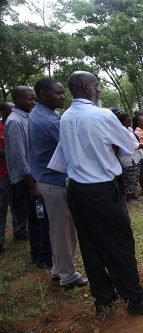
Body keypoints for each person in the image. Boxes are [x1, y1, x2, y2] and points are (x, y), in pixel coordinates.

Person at [59, 71, 143, 315]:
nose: (99, 90)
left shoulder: (65, 117)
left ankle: (103, 297)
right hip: (100, 189)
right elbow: (128, 145)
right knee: (119, 244)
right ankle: (136, 300)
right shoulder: (102, 115)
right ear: (86, 88)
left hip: (76, 190)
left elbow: (61, 157)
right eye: (96, 86)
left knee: (91, 245)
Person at [28, 77, 88, 288]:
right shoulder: (50, 121)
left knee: (57, 229)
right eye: (58, 92)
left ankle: (58, 268)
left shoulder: (38, 114)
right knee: (65, 231)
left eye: (63, 92)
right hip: (55, 182)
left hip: (46, 179)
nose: (63, 96)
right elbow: (71, 149)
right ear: (42, 94)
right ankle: (68, 275)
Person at [5, 86, 52, 267]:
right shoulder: (15, 122)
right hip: (27, 180)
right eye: (30, 99)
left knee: (38, 217)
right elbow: (19, 156)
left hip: (34, 177)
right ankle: (41, 256)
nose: (33, 102)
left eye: (34, 99)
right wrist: (32, 186)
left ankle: (41, 253)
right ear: (17, 100)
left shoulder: (27, 118)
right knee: (38, 219)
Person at [117, 113, 143, 201]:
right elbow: (128, 144)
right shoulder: (120, 131)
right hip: (127, 157)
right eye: (128, 120)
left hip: (135, 156)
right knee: (129, 178)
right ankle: (128, 197)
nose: (130, 122)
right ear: (122, 121)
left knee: (135, 176)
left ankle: (133, 193)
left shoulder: (129, 129)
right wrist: (140, 145)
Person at [0, 102, 14, 253]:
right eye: (11, 110)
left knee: (18, 205)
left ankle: (20, 232)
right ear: (3, 112)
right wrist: (12, 151)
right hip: (2, 175)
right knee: (1, 210)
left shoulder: (12, 124)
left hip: (14, 174)